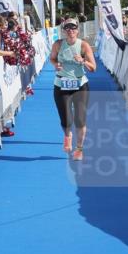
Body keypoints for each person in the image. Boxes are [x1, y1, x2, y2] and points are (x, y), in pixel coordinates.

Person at [51, 18, 96, 160]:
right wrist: (56, 65)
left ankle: (79, 149)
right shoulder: (58, 44)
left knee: (80, 119)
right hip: (61, 85)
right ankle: (67, 135)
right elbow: (52, 58)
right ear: (64, 30)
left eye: (73, 27)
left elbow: (93, 68)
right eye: (67, 28)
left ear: (78, 30)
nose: (70, 30)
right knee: (65, 119)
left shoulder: (83, 45)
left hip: (80, 85)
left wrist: (82, 61)